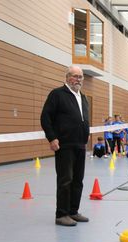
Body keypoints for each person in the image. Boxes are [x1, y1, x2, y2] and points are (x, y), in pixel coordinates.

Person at [40, 65, 90, 227]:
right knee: (65, 180)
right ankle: (61, 214)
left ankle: (73, 211)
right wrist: (52, 138)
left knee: (78, 180)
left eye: (80, 77)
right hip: (65, 145)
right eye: (75, 76)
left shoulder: (82, 97)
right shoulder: (57, 94)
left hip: (80, 145)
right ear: (67, 77)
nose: (78, 79)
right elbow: (45, 117)